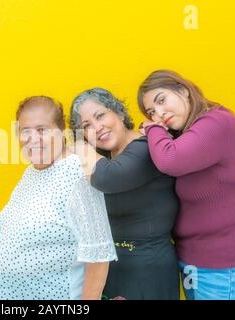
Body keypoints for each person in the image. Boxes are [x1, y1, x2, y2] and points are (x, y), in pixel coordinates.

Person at [138, 69, 235, 300]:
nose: (159, 114)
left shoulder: (218, 122)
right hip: (197, 263)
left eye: (161, 100)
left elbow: (170, 160)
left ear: (183, 91)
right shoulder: (187, 134)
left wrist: (152, 128)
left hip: (228, 266)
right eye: (151, 112)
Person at [0, 96, 117, 300]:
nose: (33, 139)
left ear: (62, 133)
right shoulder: (31, 173)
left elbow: (99, 256)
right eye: (25, 131)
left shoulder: (77, 174)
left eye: (42, 130)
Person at [69, 88, 180, 300]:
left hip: (148, 272)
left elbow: (109, 178)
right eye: (86, 126)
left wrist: (80, 147)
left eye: (100, 116)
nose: (97, 127)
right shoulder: (102, 159)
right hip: (112, 270)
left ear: (119, 113)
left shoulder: (146, 147)